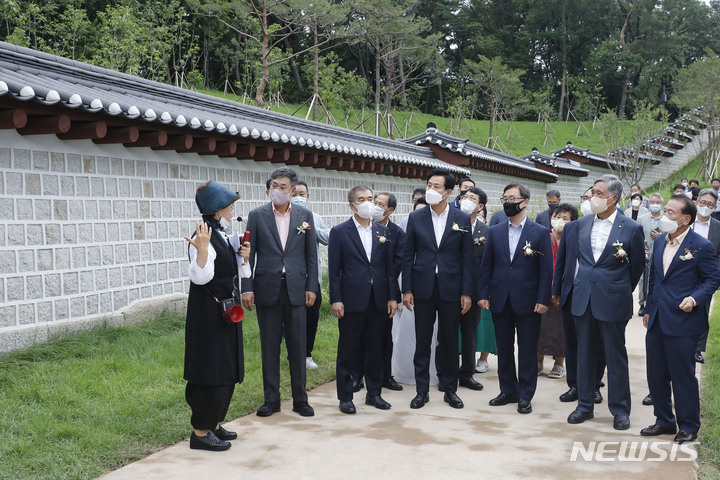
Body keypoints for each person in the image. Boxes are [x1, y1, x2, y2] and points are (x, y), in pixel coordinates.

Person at [558, 174, 644, 431]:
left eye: (598, 193)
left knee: (615, 357)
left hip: (613, 300)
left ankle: (620, 410)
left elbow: (636, 267)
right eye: (592, 192)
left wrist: (616, 289)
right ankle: (584, 405)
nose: (592, 198)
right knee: (583, 354)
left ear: (613, 198)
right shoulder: (580, 225)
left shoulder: (631, 228)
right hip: (583, 299)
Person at [641, 195, 720, 444]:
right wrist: (647, 308)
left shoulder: (700, 246)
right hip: (656, 319)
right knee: (655, 374)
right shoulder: (661, 243)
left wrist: (695, 299)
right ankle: (664, 420)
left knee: (682, 375)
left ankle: (688, 425)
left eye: (671, 213)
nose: (664, 216)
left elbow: (712, 279)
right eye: (664, 210)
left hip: (683, 321)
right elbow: (655, 279)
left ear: (686, 219)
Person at [241, 167, 319, 418]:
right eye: (274, 186)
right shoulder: (257, 215)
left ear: (292, 190)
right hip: (267, 288)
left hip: (296, 287)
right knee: (270, 345)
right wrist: (247, 288)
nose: (278, 190)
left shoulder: (305, 215)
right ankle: (271, 399)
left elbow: (311, 256)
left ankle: (300, 399)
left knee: (297, 346)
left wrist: (311, 287)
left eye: (283, 187)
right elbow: (248, 255)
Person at [183, 180, 251, 451]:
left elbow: (236, 274)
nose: (232, 208)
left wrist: (243, 258)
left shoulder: (221, 233)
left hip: (226, 311)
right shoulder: (203, 236)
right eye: (228, 205)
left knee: (226, 368)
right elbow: (201, 278)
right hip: (208, 316)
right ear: (217, 209)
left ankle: (214, 423)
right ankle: (200, 431)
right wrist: (200, 251)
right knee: (210, 369)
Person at [478, 183, 553, 414]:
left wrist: (543, 299)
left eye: (512, 198)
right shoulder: (495, 231)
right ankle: (507, 390)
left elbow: (545, 270)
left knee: (527, 349)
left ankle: (525, 393)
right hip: (500, 298)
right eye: (505, 198)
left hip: (529, 300)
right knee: (504, 347)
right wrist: (483, 294)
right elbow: (486, 265)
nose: (508, 202)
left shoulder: (540, 233)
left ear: (525, 201)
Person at [402, 168, 473, 410]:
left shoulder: (461, 218)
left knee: (449, 341)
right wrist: (407, 289)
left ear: (449, 192)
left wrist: (466, 292)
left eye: (436, 187)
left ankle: (450, 389)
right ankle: (422, 391)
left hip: (451, 289)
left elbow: (467, 258)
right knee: (423, 341)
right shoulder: (416, 218)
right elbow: (407, 255)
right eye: (429, 185)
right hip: (422, 289)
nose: (431, 190)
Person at [329, 185, 398, 414]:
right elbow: (334, 271)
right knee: (348, 349)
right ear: (352, 204)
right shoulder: (340, 232)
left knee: (375, 348)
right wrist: (336, 299)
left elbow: (388, 268)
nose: (368, 203)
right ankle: (346, 396)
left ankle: (374, 393)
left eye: (370, 198)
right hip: (351, 300)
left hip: (378, 299)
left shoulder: (382, 232)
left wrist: (391, 296)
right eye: (362, 199)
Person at [290, 181, 330, 371]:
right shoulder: (283, 217)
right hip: (291, 278)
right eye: (295, 193)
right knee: (291, 319)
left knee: (311, 318)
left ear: (308, 196)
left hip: (312, 278)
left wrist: (311, 227)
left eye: (302, 193)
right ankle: (293, 354)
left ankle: (307, 353)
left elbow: (327, 239)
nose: (299, 196)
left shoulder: (315, 217)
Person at [538, 203, 578, 379]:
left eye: (565, 218)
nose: (559, 221)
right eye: (556, 217)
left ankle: (559, 364)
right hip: (543, 289)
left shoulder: (574, 241)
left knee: (561, 329)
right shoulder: (543, 238)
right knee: (540, 328)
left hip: (564, 291)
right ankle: (537, 361)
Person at [373, 192, 406, 391]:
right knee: (360, 337)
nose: (375, 206)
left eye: (380, 204)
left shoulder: (397, 233)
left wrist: (391, 294)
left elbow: (397, 265)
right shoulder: (362, 227)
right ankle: (358, 376)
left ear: (390, 210)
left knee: (385, 337)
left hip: (385, 291)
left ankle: (386, 376)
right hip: (361, 291)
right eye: (374, 202)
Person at [456, 186, 488, 390]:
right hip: (450, 288)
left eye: (471, 198)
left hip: (474, 290)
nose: (466, 200)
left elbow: (487, 265)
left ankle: (467, 374)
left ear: (480, 206)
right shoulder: (451, 224)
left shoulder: (485, 232)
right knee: (447, 334)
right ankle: (447, 373)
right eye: (464, 196)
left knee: (470, 334)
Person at [692, 188, 720, 364]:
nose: (705, 206)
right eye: (703, 203)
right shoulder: (687, 222)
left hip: (707, 277)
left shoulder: (718, 227)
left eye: (710, 204)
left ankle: (697, 348)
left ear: (715, 206)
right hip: (684, 272)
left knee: (703, 311)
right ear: (697, 202)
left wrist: (716, 277)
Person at [636, 193, 664, 318]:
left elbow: (672, 234)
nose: (655, 204)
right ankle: (643, 303)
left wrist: (661, 236)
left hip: (661, 252)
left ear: (661, 204)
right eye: (653, 202)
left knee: (657, 278)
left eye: (658, 202)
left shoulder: (666, 219)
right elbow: (637, 235)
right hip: (645, 253)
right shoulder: (642, 218)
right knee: (643, 279)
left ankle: (656, 303)